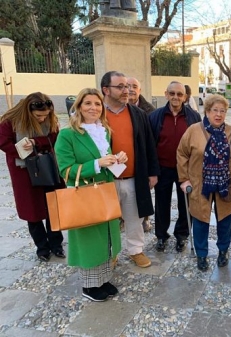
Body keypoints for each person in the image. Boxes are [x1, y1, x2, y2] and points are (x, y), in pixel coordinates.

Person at [54, 88, 126, 302]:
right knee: (90, 241)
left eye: (97, 104)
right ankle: (89, 286)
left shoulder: (104, 131)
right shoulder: (67, 135)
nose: (93, 108)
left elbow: (105, 162)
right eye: (88, 103)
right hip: (85, 196)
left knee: (107, 239)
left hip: (105, 192)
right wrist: (96, 164)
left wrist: (117, 160)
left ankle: (103, 279)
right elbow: (65, 170)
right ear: (78, 107)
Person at [101, 71, 159, 268]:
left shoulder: (138, 114)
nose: (126, 91)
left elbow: (149, 144)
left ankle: (136, 250)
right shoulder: (96, 114)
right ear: (106, 90)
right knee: (109, 218)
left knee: (135, 216)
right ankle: (111, 253)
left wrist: (152, 172)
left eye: (127, 86)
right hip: (106, 179)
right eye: (120, 87)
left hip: (134, 177)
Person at [177, 94, 231, 271]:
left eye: (222, 111)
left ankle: (223, 251)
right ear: (207, 111)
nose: (219, 114)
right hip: (200, 185)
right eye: (215, 110)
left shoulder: (230, 131)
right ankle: (202, 254)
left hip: (225, 184)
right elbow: (182, 153)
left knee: (225, 221)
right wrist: (184, 178)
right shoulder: (194, 130)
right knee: (200, 221)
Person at [0, 93, 65, 262]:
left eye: (45, 115)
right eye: (38, 116)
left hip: (49, 167)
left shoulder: (51, 119)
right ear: (28, 111)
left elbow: (55, 138)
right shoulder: (10, 121)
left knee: (53, 207)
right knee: (32, 211)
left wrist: (36, 142)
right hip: (24, 172)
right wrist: (24, 150)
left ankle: (56, 245)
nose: (43, 119)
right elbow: (4, 142)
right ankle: (42, 248)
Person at [149, 81, 201, 253]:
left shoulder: (194, 117)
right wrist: (152, 171)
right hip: (162, 168)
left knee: (185, 204)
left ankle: (182, 235)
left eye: (179, 94)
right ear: (166, 94)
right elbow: (151, 145)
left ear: (185, 96)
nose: (175, 97)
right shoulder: (155, 116)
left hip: (185, 170)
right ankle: (161, 236)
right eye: (172, 93)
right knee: (162, 204)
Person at [127, 77, 156, 233]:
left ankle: (145, 218)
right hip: (122, 159)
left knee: (142, 190)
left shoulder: (149, 110)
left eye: (134, 86)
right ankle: (121, 218)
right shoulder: (117, 109)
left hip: (142, 157)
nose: (131, 89)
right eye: (128, 86)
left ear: (140, 90)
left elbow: (152, 140)